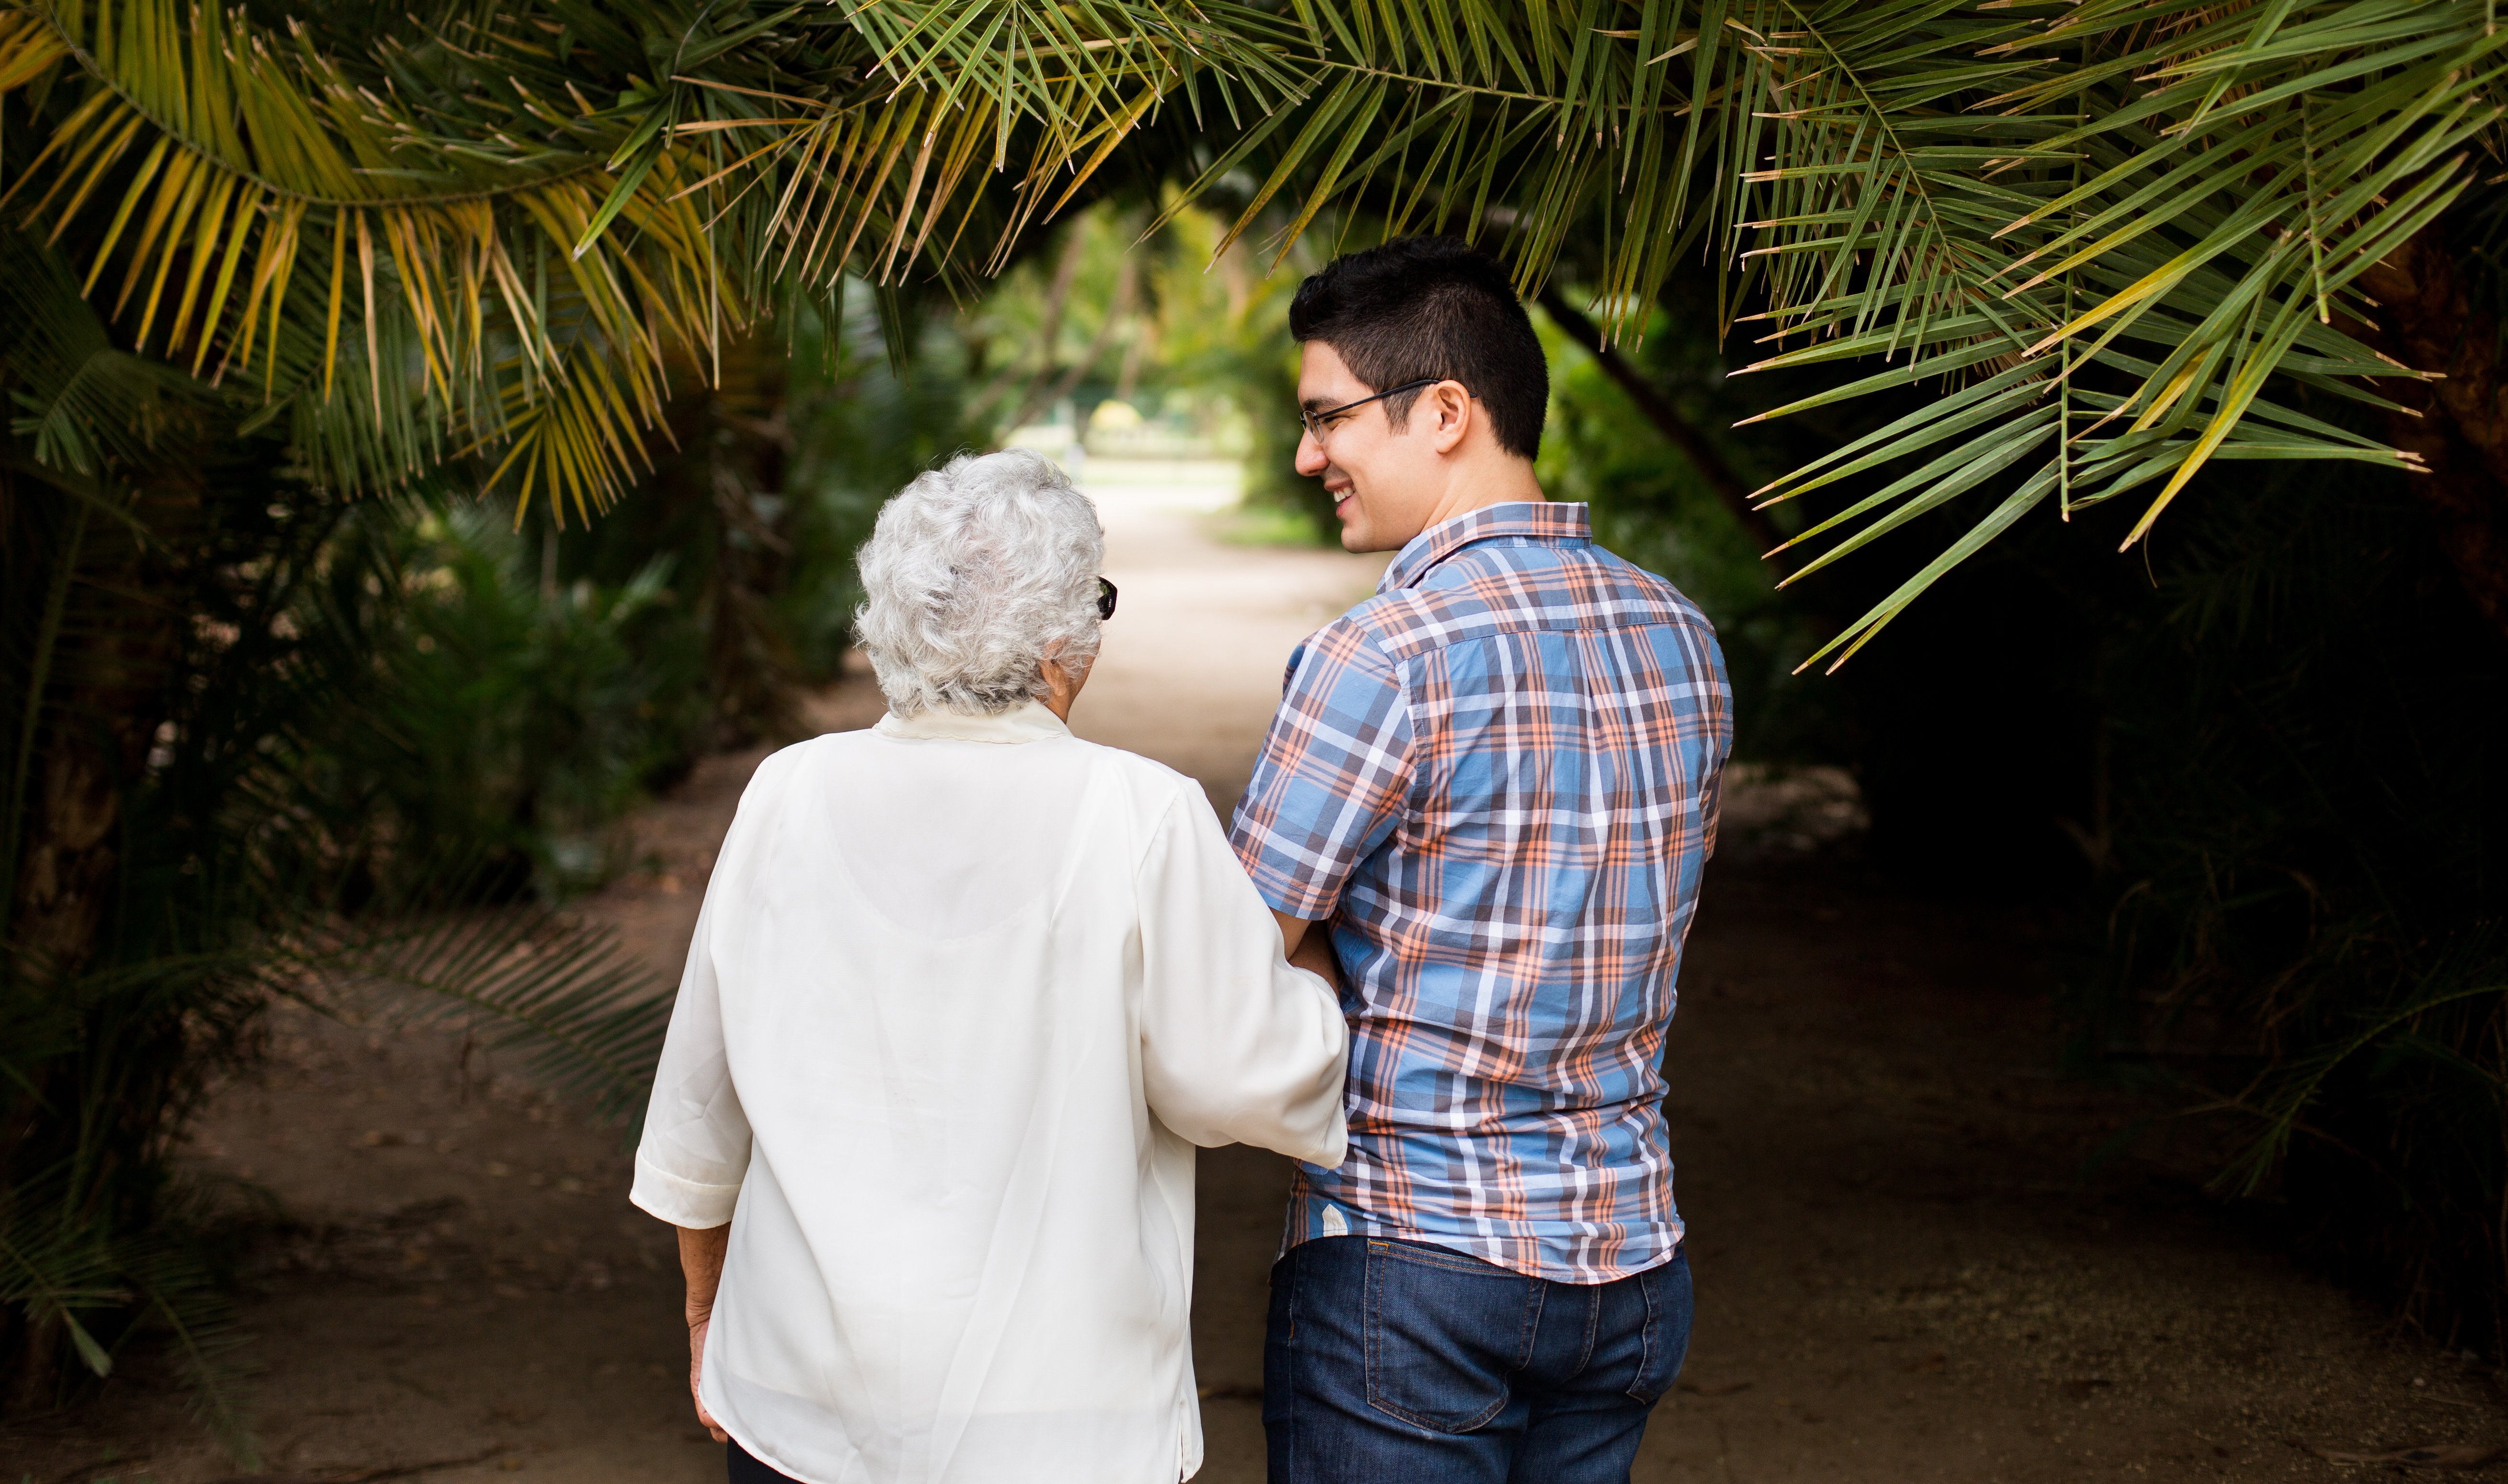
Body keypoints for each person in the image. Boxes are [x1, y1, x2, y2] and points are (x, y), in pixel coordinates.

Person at [631, 448, 1349, 1484]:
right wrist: (1314, 976)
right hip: (1063, 1425)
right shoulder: (1140, 814)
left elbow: (702, 1108)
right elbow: (1237, 1081)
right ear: (1066, 639)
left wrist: (706, 1312)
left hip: (799, 1406)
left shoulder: (786, 794)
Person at [1231, 236, 1735, 1483]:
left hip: (1415, 1268)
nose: (1309, 456)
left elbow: (1229, 961)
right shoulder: (1682, 638)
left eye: (1327, 417)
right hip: (1632, 1269)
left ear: (1444, 412)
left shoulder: (1384, 655)